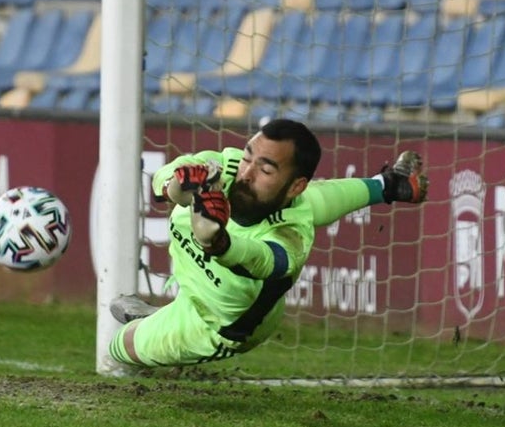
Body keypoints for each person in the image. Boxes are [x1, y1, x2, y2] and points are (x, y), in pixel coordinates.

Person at [107, 118, 428, 369]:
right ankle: (391, 185)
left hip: (215, 322)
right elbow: (163, 180)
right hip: (199, 276)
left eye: (266, 168)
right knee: (308, 199)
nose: (247, 172)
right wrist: (177, 188)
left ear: (294, 184)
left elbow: (261, 260)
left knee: (118, 347)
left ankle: (153, 324)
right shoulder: (228, 169)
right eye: (249, 157)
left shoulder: (290, 238)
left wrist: (219, 243)